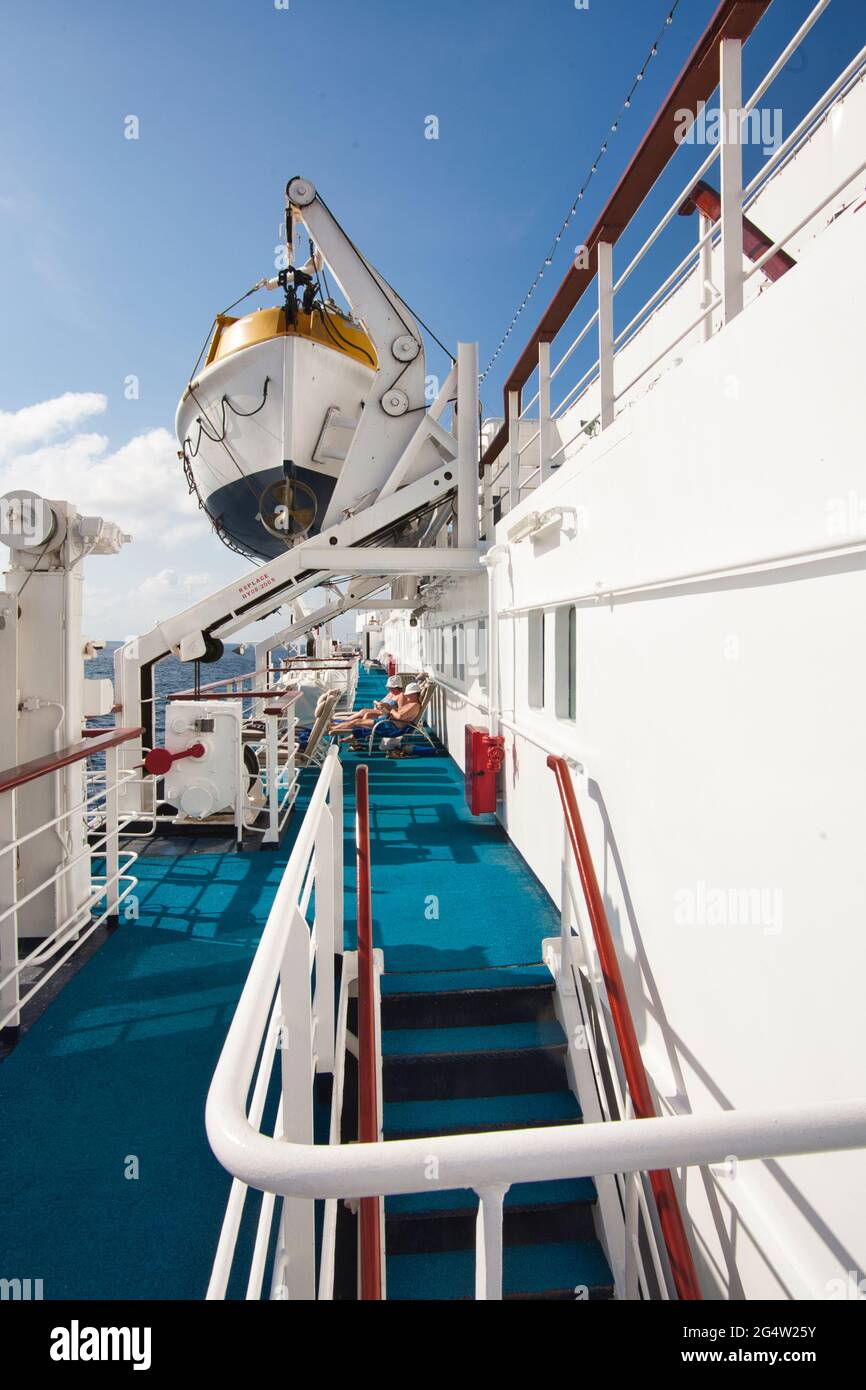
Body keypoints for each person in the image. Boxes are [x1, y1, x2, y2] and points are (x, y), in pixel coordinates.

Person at [331, 681, 422, 746]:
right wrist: (387, 708)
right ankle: (336, 727)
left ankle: (333, 728)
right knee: (358, 722)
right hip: (387, 722)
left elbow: (400, 716)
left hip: (391, 727)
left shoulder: (414, 705)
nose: (406, 695)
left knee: (357, 722)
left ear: (415, 694)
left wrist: (390, 709)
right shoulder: (410, 704)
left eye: (408, 694)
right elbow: (398, 714)